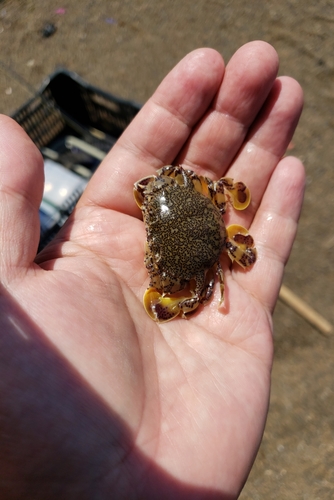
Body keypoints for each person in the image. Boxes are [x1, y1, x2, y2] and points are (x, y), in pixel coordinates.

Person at [0, 41, 304, 499]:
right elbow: (180, 190)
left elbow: (207, 267)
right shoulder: (185, 191)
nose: (150, 258)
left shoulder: (204, 254)